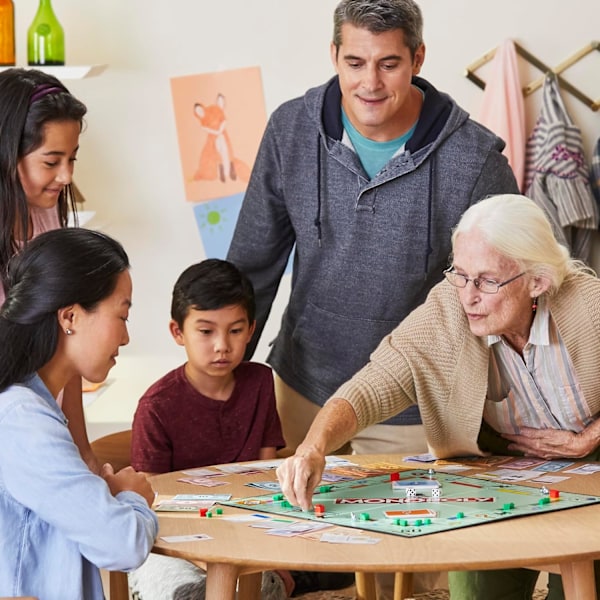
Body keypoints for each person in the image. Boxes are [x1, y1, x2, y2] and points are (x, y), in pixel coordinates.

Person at [226, 0, 519, 461]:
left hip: (413, 405)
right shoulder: (290, 131)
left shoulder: (476, 160)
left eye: (389, 64)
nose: (370, 83)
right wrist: (227, 382)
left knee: (401, 533)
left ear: (417, 59)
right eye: (355, 63)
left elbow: (520, 291)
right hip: (302, 389)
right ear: (334, 55)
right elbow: (251, 265)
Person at [276, 194, 600, 600]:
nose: (468, 296)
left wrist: (587, 439)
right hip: (498, 472)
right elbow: (374, 383)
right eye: (460, 274)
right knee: (478, 593)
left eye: (486, 280)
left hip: (592, 468)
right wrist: (314, 445)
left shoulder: (588, 304)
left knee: (578, 583)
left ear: (536, 280)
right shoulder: (450, 310)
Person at [0, 227, 158, 600]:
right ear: (70, 316)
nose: (125, 337)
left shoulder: (30, 408)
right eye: (122, 317)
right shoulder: (23, 419)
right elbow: (124, 544)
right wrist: (131, 497)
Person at [129, 258, 291, 600]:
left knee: (261, 587)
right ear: (178, 332)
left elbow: (265, 477)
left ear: (250, 329)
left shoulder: (260, 381)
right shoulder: (156, 405)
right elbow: (151, 501)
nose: (222, 345)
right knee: (178, 591)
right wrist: (203, 556)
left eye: (235, 330)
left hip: (246, 535)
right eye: (206, 331)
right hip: (175, 544)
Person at [0, 67, 98, 471]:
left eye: (72, 158)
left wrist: (83, 451)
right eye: (51, 161)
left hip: (40, 432)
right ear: (7, 155)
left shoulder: (47, 219)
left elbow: (67, 350)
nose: (67, 176)